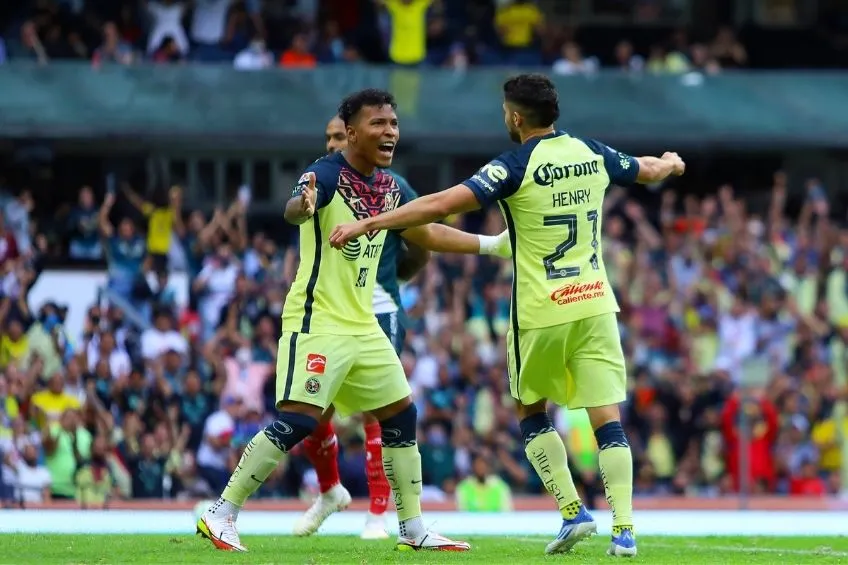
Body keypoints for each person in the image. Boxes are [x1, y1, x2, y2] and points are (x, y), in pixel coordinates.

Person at [329, 73, 686, 558]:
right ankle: (624, 530)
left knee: (528, 408)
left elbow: (437, 205)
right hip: (597, 302)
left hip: (542, 309)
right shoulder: (591, 153)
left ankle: (572, 511)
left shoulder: (513, 165)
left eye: (504, 112)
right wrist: (668, 163)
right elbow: (643, 168)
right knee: (607, 417)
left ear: (516, 117)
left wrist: (371, 221)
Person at [197, 89, 510, 553]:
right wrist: (301, 206)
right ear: (350, 132)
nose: (390, 132)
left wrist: (492, 245)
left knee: (401, 414)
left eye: (393, 123)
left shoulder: (390, 186)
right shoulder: (323, 174)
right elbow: (296, 205)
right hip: (317, 320)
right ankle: (220, 513)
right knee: (297, 422)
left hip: (363, 325)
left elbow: (426, 232)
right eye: (378, 124)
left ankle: (413, 528)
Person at [296, 115, 492, 540]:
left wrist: (397, 279)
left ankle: (378, 516)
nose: (332, 145)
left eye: (338, 137)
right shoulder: (321, 182)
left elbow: (423, 240)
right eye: (328, 138)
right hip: (327, 312)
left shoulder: (390, 186)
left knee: (381, 411)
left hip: (376, 307)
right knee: (312, 413)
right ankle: (330, 491)